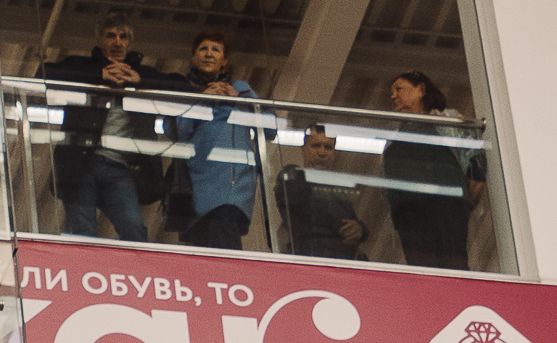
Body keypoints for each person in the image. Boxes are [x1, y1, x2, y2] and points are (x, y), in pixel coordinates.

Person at [43, 12, 187, 241]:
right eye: (111, 36)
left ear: (129, 43)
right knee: (82, 231)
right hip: (81, 164)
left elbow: (183, 87)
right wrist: (98, 75)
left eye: (123, 36)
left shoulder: (140, 73)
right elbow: (43, 73)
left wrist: (140, 81)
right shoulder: (82, 66)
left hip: (120, 168)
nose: (117, 42)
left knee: (135, 231)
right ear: (99, 41)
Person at [383, 71, 484, 271]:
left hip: (447, 209)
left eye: (399, 89)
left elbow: (477, 166)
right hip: (408, 214)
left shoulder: (449, 121)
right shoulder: (394, 136)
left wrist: (462, 207)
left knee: (452, 266)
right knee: (421, 271)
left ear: (421, 90)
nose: (393, 96)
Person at [172, 28, 259, 251]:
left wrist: (239, 100)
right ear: (193, 57)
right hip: (199, 181)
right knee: (205, 250)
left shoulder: (241, 88)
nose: (209, 54)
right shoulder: (183, 91)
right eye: (203, 49)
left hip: (234, 182)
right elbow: (177, 133)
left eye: (215, 50)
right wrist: (202, 100)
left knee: (224, 232)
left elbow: (269, 128)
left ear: (224, 61)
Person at [274, 126, 368, 261]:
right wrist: (344, 228)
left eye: (328, 147)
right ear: (303, 150)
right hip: (310, 257)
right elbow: (313, 211)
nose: (322, 152)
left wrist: (360, 230)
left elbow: (350, 219)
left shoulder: (336, 186)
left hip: (345, 261)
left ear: (334, 154)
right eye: (316, 146)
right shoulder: (292, 175)